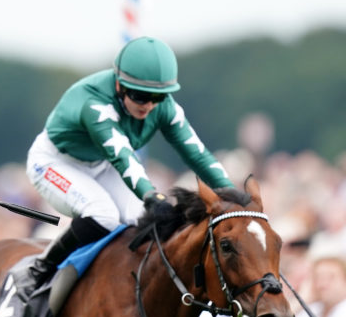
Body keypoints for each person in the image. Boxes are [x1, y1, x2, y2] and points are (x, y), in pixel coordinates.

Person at [23, 36, 234, 298]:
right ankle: (39, 269)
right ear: (119, 85)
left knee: (139, 224)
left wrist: (234, 195)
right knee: (103, 215)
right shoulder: (95, 103)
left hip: (102, 163)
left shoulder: (163, 107)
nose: (148, 105)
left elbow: (197, 154)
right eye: (140, 96)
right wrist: (151, 194)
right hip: (54, 161)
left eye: (158, 96)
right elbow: (123, 156)